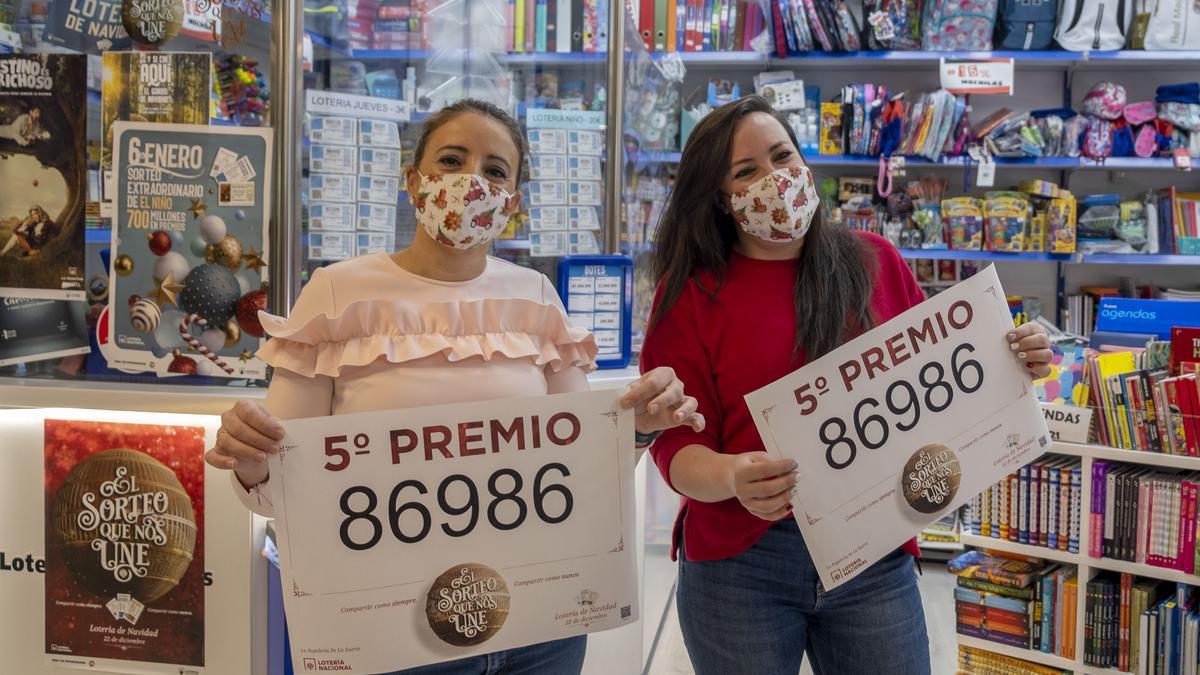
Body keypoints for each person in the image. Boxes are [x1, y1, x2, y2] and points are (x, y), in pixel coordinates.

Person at [205, 99, 705, 675]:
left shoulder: (535, 297)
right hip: (394, 631)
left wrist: (636, 430)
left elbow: (585, 467)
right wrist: (250, 458)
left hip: (537, 621)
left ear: (511, 203)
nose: (471, 181)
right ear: (413, 182)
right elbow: (275, 495)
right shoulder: (339, 294)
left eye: (494, 170)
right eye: (451, 159)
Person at [639, 95, 1053, 675]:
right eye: (746, 171)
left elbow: (946, 379)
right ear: (721, 199)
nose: (775, 179)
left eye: (782, 156)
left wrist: (1015, 360)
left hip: (874, 550)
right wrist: (733, 477)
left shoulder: (876, 261)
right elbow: (676, 447)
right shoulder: (691, 295)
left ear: (806, 165)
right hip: (741, 563)